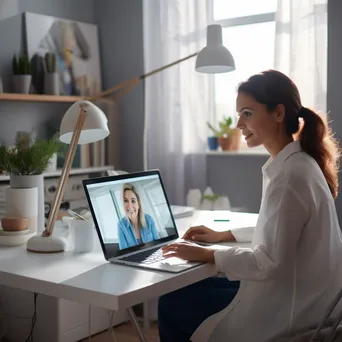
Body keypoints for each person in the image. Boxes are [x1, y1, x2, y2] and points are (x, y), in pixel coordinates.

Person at [159, 70, 342, 342]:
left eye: (247, 113)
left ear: (278, 113)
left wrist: (208, 255)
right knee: (200, 287)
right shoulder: (299, 163)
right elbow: (280, 228)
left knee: (170, 303)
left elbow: (269, 262)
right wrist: (225, 236)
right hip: (308, 296)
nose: (238, 124)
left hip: (291, 309)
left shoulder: (290, 176)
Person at [117, 183, 159, 249]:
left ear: (138, 204)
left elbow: (158, 245)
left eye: (133, 201)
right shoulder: (121, 225)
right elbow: (124, 253)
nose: (130, 206)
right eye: (125, 201)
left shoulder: (149, 219)